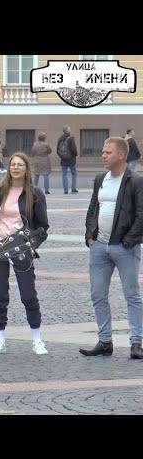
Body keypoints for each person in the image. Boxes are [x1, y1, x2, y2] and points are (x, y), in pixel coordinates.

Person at [80, 137, 143, 359]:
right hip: (99, 247)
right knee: (98, 295)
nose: (103, 155)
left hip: (125, 248)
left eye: (108, 152)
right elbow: (92, 210)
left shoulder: (135, 181)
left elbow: (141, 215)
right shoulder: (100, 179)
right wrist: (90, 237)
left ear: (121, 155)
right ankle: (105, 341)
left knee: (132, 295)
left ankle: (137, 343)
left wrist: (128, 241)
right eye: (102, 152)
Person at [0, 152, 50, 355]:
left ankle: (37, 339)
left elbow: (43, 227)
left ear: (26, 168)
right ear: (8, 168)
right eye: (13, 165)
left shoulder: (34, 193)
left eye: (20, 165)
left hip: (21, 249)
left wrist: (31, 244)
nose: (16, 168)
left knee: (28, 295)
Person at [56, 125, 78, 194]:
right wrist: (75, 154)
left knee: (64, 175)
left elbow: (57, 150)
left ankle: (65, 190)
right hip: (71, 160)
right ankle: (73, 188)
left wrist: (62, 156)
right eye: (69, 128)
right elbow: (74, 149)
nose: (70, 129)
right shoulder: (71, 138)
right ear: (68, 130)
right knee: (74, 173)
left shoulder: (60, 138)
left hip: (63, 160)